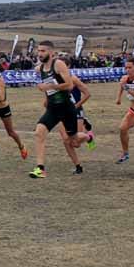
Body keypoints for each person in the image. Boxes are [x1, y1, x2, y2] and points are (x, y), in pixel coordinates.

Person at [29, 41, 94, 178]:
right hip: (53, 109)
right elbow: (47, 87)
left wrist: (49, 87)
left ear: (51, 53)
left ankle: (88, 137)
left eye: (43, 51)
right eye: (38, 51)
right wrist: (47, 97)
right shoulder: (39, 69)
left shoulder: (58, 64)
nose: (40, 54)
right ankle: (40, 168)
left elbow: (69, 85)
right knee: (39, 133)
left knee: (74, 141)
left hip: (66, 108)